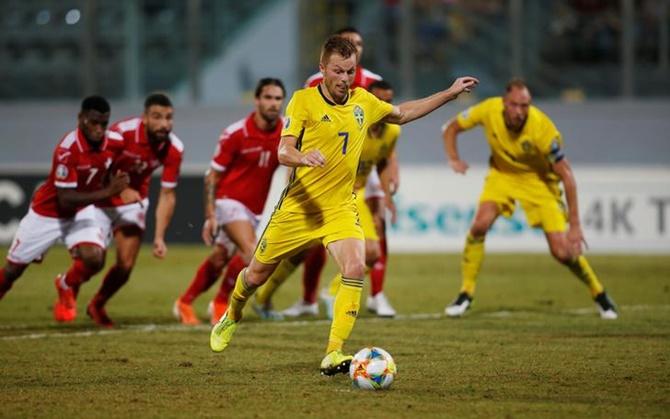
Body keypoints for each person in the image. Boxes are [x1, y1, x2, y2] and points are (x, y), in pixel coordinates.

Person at [209, 35, 478, 376]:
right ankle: (232, 313)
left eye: (350, 72)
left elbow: (403, 113)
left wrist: (450, 93)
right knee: (256, 274)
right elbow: (283, 150)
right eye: (338, 71)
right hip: (299, 208)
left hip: (339, 207)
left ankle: (334, 353)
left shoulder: (363, 102)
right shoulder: (303, 101)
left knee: (354, 267)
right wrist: (302, 157)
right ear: (322, 69)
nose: (344, 79)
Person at [442, 78, 618, 320]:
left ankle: (599, 293)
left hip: (540, 183)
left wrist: (575, 226)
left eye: (525, 105)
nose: (520, 111)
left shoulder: (542, 128)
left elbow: (567, 176)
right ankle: (466, 293)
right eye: (515, 105)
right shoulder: (488, 109)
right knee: (479, 225)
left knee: (563, 252)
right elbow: (451, 127)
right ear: (504, 102)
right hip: (502, 176)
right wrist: (453, 158)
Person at [266, 26, 402, 319]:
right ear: (327, 65)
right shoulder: (313, 87)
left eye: (360, 44)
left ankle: (372, 295)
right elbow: (298, 135)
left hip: (357, 184)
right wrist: (297, 166)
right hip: (316, 182)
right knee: (302, 250)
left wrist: (390, 176)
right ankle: (300, 298)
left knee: (374, 244)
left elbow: (390, 129)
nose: (344, 76)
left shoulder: (372, 86)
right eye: (351, 43)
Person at [0, 96, 135, 322]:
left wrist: (123, 183)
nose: (99, 129)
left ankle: (66, 284)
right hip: (48, 213)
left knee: (95, 259)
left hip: (81, 211)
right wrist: (109, 191)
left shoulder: (114, 142)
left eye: (104, 123)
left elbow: (119, 161)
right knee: (14, 270)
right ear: (81, 119)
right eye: (94, 122)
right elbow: (65, 199)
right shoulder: (67, 149)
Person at [174, 78, 286, 325]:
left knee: (220, 258)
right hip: (228, 202)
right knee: (252, 253)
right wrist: (211, 215)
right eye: (268, 97)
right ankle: (222, 301)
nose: (273, 103)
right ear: (256, 100)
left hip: (254, 209)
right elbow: (212, 176)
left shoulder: (285, 131)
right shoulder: (236, 133)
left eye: (278, 98)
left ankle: (184, 301)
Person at [85, 93, 184, 327]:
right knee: (92, 257)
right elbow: (97, 167)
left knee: (126, 265)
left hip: (134, 200)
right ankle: (68, 285)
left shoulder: (174, 148)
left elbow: (168, 194)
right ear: (145, 119)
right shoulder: (122, 133)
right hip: (101, 196)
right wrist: (120, 190)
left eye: (169, 118)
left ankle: (97, 304)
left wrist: (159, 237)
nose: (164, 124)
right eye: (157, 117)